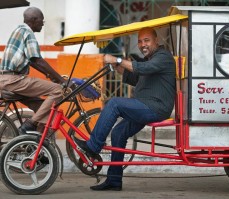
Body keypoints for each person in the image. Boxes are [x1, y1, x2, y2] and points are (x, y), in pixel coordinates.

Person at [74, 27, 176, 191]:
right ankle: (114, 180)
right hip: (144, 105)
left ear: (156, 41)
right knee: (117, 133)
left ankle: (93, 146)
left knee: (114, 103)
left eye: (147, 40)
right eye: (140, 41)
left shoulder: (163, 57)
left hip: (155, 107)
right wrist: (117, 64)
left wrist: (119, 60)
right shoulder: (150, 60)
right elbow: (136, 76)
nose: (143, 44)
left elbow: (142, 69)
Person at [0, 7, 67, 134]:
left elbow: (32, 61)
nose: (43, 23)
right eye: (42, 20)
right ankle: (30, 125)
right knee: (57, 90)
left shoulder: (19, 30)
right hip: (14, 79)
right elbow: (36, 60)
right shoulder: (27, 32)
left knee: (43, 108)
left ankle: (37, 144)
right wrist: (60, 79)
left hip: (6, 79)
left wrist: (49, 74)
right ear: (34, 20)